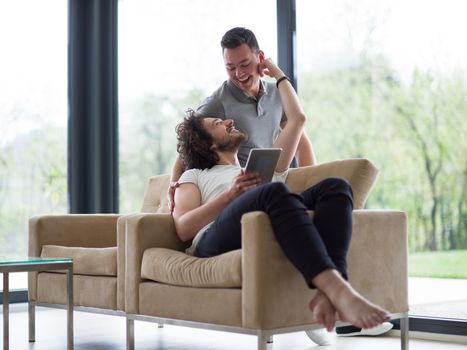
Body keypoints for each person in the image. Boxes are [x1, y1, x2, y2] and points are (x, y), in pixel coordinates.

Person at [172, 59, 390, 332]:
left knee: (335, 187)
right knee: (272, 190)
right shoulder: (195, 176)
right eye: (219, 122)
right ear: (210, 144)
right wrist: (230, 195)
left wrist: (277, 74)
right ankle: (340, 291)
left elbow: (297, 121)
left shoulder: (259, 167)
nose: (228, 120)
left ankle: (327, 293)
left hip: (264, 211)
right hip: (213, 241)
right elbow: (183, 228)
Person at [168, 27, 316, 211]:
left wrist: (310, 184)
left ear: (260, 58)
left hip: (273, 178)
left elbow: (301, 143)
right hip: (241, 194)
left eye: (244, 64)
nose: (239, 74)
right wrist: (174, 187)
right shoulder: (216, 103)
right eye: (230, 68)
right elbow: (188, 147)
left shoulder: (277, 94)